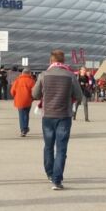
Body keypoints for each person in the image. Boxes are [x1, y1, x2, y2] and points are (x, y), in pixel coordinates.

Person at [32, 50, 83, 190]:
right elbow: (79, 95)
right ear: (63, 61)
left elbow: (35, 94)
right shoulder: (70, 75)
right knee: (61, 148)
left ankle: (49, 173)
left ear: (51, 61)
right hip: (64, 116)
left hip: (48, 115)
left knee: (48, 146)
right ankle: (57, 179)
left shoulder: (43, 75)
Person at [10, 68, 36, 136]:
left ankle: (23, 129)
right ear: (29, 73)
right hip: (28, 100)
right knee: (26, 115)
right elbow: (34, 92)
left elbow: (12, 91)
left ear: (22, 73)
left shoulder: (17, 80)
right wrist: (32, 98)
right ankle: (25, 128)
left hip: (19, 100)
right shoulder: (32, 81)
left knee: (21, 115)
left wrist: (15, 96)